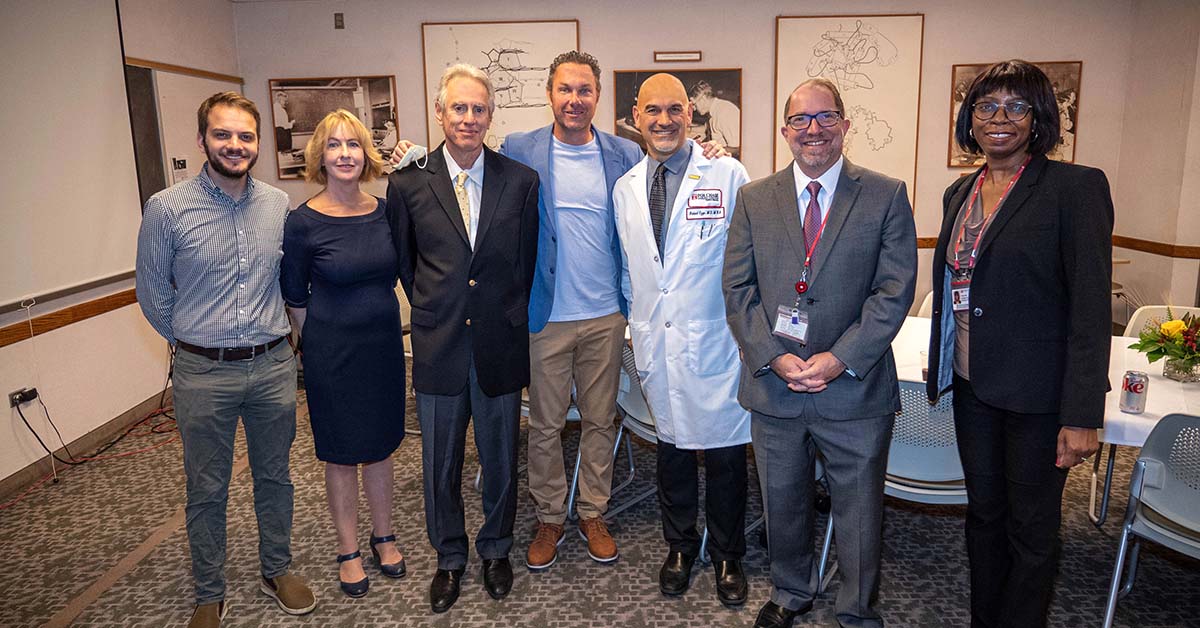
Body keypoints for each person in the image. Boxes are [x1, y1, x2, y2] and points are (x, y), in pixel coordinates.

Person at [723, 78, 916, 628]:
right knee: (782, 502)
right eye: (801, 120)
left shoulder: (885, 194)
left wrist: (839, 358)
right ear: (785, 131)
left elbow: (893, 290)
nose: (814, 130)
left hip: (854, 386)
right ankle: (791, 591)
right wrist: (774, 357)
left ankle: (856, 609)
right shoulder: (754, 199)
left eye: (826, 117)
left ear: (845, 125)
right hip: (775, 383)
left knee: (858, 513)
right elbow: (738, 290)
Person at [926, 59, 1111, 628]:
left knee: (1031, 530)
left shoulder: (1074, 189)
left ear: (1039, 118)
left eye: (1015, 106)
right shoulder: (960, 192)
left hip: (1037, 397)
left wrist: (1082, 414)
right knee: (983, 517)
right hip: (972, 384)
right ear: (969, 118)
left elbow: (1090, 307)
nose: (998, 118)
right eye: (986, 107)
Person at [135, 91, 316, 628]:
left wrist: (281, 340)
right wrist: (195, 340)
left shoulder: (277, 206)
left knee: (275, 477)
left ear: (257, 143)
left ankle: (275, 568)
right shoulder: (166, 209)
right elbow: (151, 293)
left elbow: (287, 284)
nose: (235, 145)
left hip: (271, 367)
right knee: (207, 487)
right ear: (201, 141)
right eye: (222, 135)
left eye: (245, 136)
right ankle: (209, 592)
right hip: (202, 372)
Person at [385, 64, 539, 614]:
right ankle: (449, 556)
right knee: (440, 464)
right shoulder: (407, 181)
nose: (468, 118)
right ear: (440, 112)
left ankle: (497, 549)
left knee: (500, 459)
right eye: (459, 108)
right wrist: (437, 306)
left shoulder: (520, 180)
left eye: (478, 109)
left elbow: (525, 260)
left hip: (499, 343)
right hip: (439, 342)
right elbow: (407, 265)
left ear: (490, 115)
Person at [497, 51, 642, 570]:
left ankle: (592, 511)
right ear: (550, 93)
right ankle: (550, 516)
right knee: (545, 425)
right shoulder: (519, 148)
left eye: (585, 90)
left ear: (597, 97)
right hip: (547, 314)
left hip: (607, 314)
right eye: (566, 89)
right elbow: (471, 175)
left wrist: (709, 152)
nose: (575, 99)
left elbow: (670, 177)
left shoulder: (626, 152)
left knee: (601, 419)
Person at [612, 73, 752, 607]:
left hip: (714, 343)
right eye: (654, 110)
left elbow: (746, 262)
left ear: (690, 115)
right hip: (657, 343)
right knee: (670, 453)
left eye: (675, 110)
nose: (664, 120)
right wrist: (639, 321)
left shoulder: (727, 173)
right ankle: (679, 545)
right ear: (637, 114)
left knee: (723, 456)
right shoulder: (626, 187)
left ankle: (727, 553)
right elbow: (633, 267)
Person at [280, 109, 407, 599]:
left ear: (365, 153)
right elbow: (295, 297)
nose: (345, 154)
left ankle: (384, 536)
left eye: (353, 144)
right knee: (339, 455)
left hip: (382, 348)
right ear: (321, 157)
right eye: (334, 145)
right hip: (332, 352)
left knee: (380, 446)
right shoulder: (303, 222)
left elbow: (395, 273)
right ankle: (349, 550)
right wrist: (320, 346)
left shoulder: (383, 211)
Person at [689, 80, 741, 157]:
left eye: (694, 104)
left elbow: (737, 148)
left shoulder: (725, 111)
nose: (694, 109)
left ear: (703, 98)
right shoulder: (712, 114)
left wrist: (711, 151)